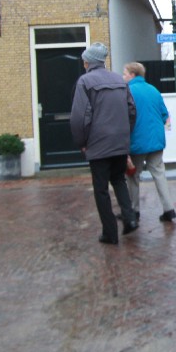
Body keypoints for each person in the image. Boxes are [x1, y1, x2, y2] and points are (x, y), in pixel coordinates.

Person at [71, 42, 137, 245]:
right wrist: (125, 134)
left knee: (101, 189)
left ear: (88, 62)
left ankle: (110, 233)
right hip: (120, 142)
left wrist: (82, 142)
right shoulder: (119, 80)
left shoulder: (85, 82)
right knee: (119, 180)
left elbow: (80, 117)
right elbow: (132, 111)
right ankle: (130, 218)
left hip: (98, 144)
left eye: (84, 60)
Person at [122, 62, 176, 222]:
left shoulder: (127, 91)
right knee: (159, 174)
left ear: (132, 74)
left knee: (133, 176)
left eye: (124, 73)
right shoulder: (153, 90)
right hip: (156, 140)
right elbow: (164, 115)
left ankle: (134, 211)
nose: (123, 77)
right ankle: (169, 209)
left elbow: (124, 116)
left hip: (137, 142)